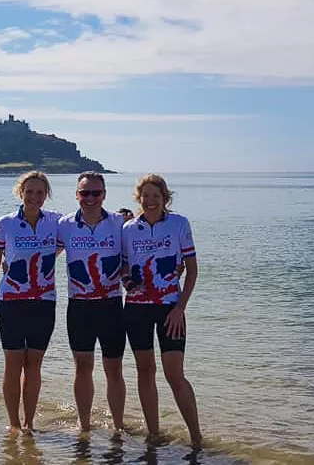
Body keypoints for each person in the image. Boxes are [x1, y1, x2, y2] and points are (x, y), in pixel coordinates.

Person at [121, 174, 203, 449]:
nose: (151, 201)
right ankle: (153, 433)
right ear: (139, 198)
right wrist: (128, 281)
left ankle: (196, 437)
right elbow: (123, 268)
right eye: (146, 196)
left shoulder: (179, 224)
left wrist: (181, 308)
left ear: (165, 198)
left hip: (171, 309)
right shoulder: (129, 229)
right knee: (145, 371)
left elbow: (191, 271)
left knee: (174, 374)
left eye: (156, 196)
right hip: (136, 309)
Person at [0, 171, 62, 433]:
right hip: (11, 303)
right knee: (13, 364)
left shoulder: (56, 221)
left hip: (44, 303)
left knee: (34, 367)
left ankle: (30, 423)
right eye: (29, 191)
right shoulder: (5, 223)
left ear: (46, 195)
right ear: (21, 192)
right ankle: (14, 424)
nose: (34, 197)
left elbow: (78, 237)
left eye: (40, 192)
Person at [56, 171, 127, 432]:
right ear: (77, 195)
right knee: (83, 367)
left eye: (96, 193)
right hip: (79, 308)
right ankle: (83, 426)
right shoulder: (64, 224)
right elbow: (43, 250)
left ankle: (118, 427)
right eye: (85, 193)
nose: (90, 198)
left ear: (104, 195)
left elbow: (143, 247)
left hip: (111, 306)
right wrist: (10, 261)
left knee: (114, 370)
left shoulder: (120, 223)